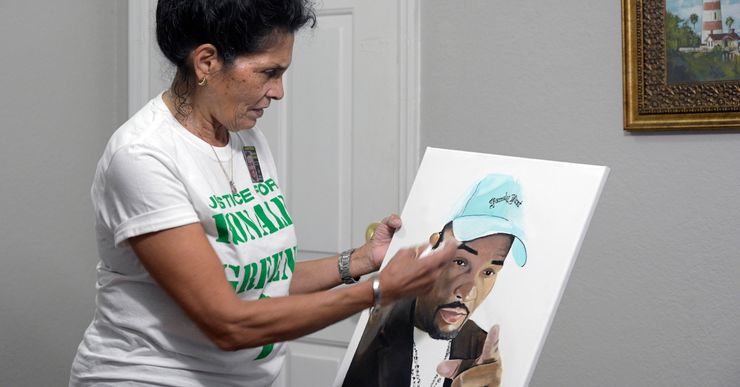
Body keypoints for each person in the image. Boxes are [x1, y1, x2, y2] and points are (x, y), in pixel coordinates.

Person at [68, 1, 456, 386]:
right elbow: (228, 323)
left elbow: (261, 282)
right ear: (206, 62)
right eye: (268, 72)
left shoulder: (244, 141)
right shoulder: (143, 157)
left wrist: (358, 263)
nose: (278, 92)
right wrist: (377, 291)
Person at [342, 174, 527, 387]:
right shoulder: (376, 328)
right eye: (460, 262)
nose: (468, 292)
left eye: (488, 272)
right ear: (432, 247)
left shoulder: (481, 349)